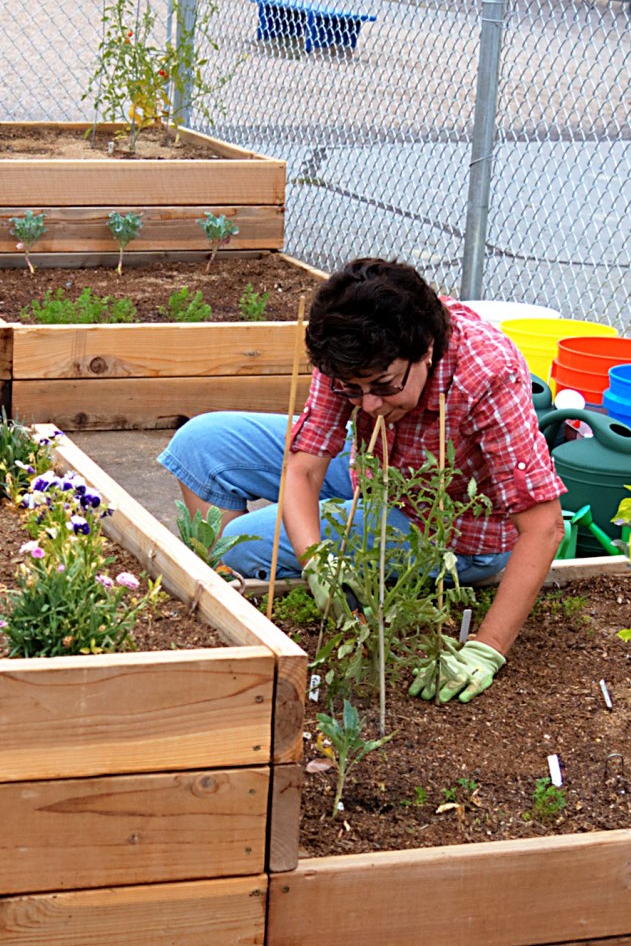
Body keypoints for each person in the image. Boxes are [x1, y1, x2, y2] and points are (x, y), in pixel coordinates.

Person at [158, 258, 567, 704]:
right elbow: (305, 466)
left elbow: (543, 527)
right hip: (373, 468)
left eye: (383, 386)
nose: (369, 403)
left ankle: (242, 575)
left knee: (239, 539)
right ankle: (243, 605)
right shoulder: (349, 344)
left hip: (449, 531)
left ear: (425, 350)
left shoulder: (487, 372)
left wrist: (485, 649)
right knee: (200, 444)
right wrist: (316, 561)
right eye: (353, 390)